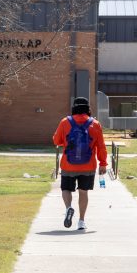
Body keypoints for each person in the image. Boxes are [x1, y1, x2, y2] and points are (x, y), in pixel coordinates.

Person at [52, 97, 108, 230]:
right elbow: (101, 146)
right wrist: (103, 163)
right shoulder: (95, 123)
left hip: (68, 164)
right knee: (83, 192)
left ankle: (68, 208)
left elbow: (56, 141)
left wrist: (65, 142)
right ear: (88, 109)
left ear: (74, 108)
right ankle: (81, 222)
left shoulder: (65, 122)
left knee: (66, 189)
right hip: (88, 165)